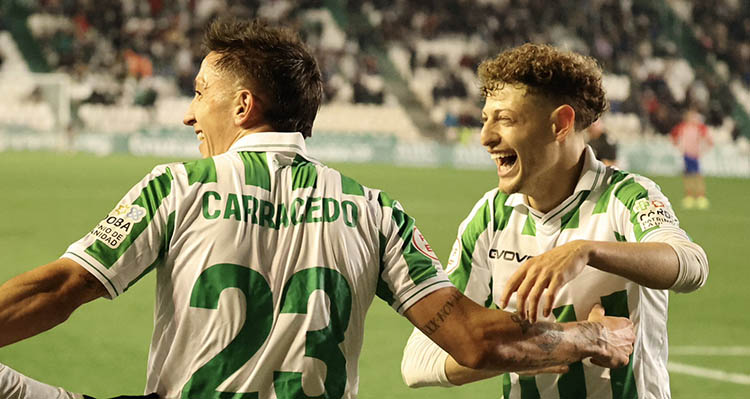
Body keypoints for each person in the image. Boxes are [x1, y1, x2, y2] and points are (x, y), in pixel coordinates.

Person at [0, 22, 635, 399]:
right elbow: (474, 341)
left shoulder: (178, 185)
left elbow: (60, 289)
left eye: (199, 95)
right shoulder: (375, 211)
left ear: (243, 106)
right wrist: (587, 336)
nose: (189, 114)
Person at [401, 43, 708, 398]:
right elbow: (418, 360)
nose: (485, 137)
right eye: (486, 119)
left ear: (560, 124)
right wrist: (545, 347)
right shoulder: (489, 217)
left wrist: (588, 251)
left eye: (505, 119)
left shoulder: (626, 197)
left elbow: (692, 265)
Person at [670, 108, 713, 209]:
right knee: (688, 176)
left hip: (695, 155)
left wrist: (703, 150)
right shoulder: (682, 127)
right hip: (686, 154)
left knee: (697, 176)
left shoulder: (700, 128)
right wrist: (678, 146)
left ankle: (701, 196)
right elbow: (674, 136)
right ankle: (689, 196)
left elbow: (708, 140)